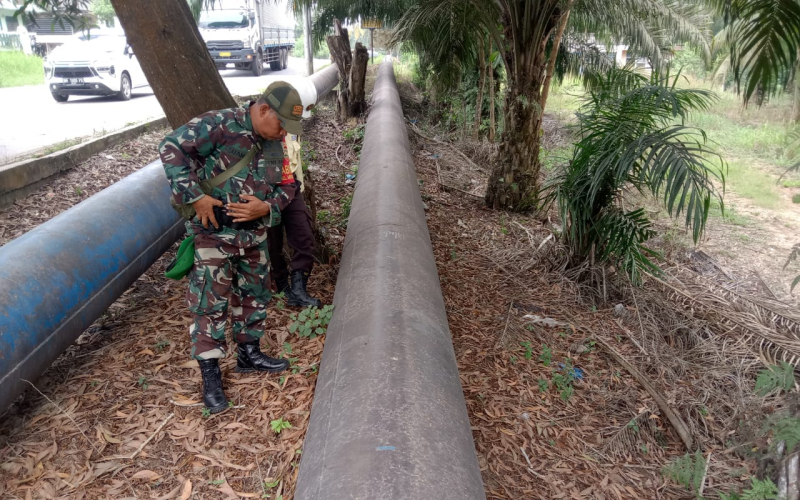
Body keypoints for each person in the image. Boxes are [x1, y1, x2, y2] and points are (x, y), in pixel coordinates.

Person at [159, 81, 307, 413]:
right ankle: (211, 378)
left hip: (254, 237)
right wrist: (195, 198)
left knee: (254, 295)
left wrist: (266, 209)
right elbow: (171, 147)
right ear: (264, 109)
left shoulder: (276, 142)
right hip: (214, 236)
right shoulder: (221, 125)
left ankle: (248, 355)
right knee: (209, 304)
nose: (284, 132)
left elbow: (288, 184)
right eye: (280, 123)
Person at [267, 133, 323, 308]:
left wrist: (301, 185)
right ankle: (281, 285)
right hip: (267, 188)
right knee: (272, 241)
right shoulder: (261, 125)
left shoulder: (293, 127)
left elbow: (295, 157)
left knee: (304, 235)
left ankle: (299, 290)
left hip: (291, 186)